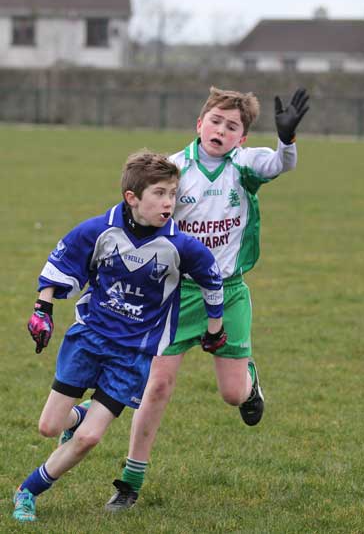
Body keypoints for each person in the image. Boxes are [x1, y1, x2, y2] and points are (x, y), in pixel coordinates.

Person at [105, 86, 309, 511]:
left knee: (233, 395)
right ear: (200, 125)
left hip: (228, 292)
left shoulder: (245, 166)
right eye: (215, 121)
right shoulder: (175, 169)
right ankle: (130, 482)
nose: (221, 129)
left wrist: (286, 140)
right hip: (178, 295)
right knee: (157, 385)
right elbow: (140, 214)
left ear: (242, 138)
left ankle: (250, 380)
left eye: (232, 126)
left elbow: (279, 164)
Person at [12, 149, 227, 523]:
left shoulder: (181, 246)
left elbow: (212, 279)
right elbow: (58, 265)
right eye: (159, 193)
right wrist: (42, 310)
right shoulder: (101, 230)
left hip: (134, 355)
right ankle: (76, 417)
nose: (168, 202)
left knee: (90, 438)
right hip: (89, 339)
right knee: (49, 427)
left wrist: (214, 330)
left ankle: (27, 490)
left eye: (173, 194)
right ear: (133, 198)